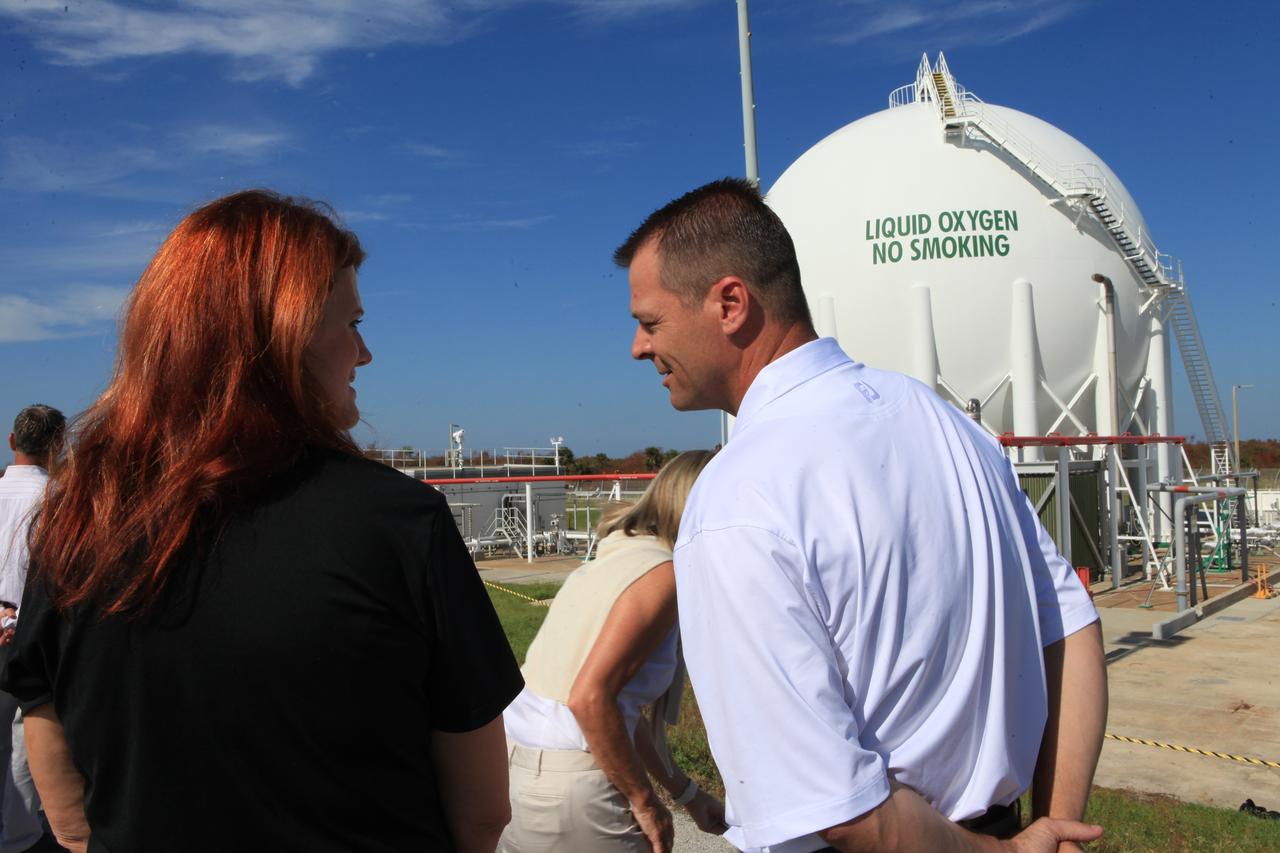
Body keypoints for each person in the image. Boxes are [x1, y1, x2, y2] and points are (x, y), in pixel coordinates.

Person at [0, 190, 523, 853]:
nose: (364, 353)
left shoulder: (79, 519)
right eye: (352, 322)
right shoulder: (397, 521)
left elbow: (46, 737)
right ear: (286, 332)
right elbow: (482, 809)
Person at [613, 178, 1108, 853]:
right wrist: (1056, 829)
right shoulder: (950, 427)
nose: (639, 348)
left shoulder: (737, 499)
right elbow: (1073, 624)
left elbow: (844, 811)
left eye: (650, 322)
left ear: (730, 303)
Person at [499, 450, 728, 853]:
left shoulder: (622, 555)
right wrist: (644, 801)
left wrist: (686, 794)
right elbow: (590, 699)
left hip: (525, 772)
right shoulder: (659, 574)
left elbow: (614, 709)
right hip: (572, 783)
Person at [0, 405, 65, 853]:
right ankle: (18, 839)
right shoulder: (62, 501)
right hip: (30, 634)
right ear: (59, 446)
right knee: (24, 743)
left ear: (11, 442)